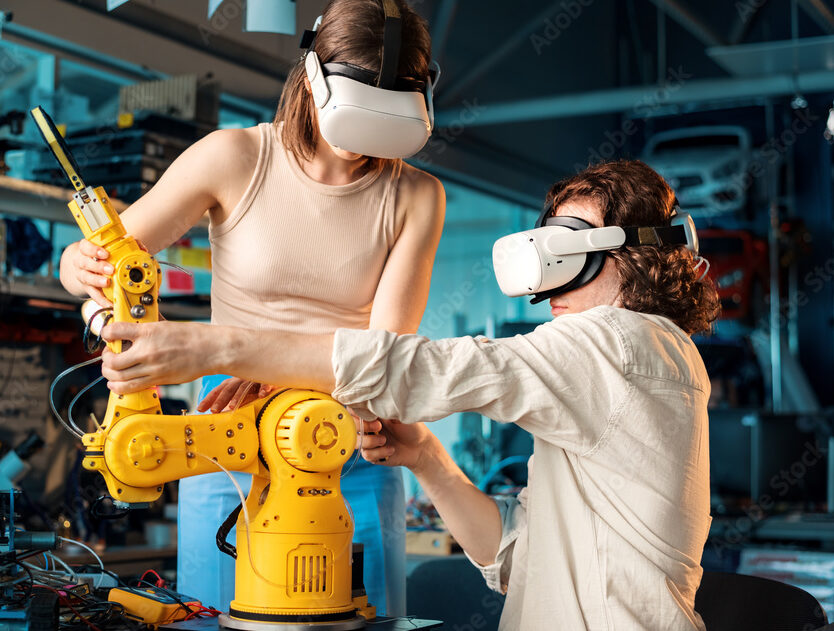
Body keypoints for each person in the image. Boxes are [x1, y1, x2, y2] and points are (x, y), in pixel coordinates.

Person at [99, 160, 721, 630]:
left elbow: (423, 367)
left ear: (640, 257)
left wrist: (217, 348)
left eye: (574, 247)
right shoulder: (613, 363)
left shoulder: (624, 344)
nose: (552, 276)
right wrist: (427, 457)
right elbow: (514, 557)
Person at [58, 0, 444, 615]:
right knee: (217, 618)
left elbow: (384, 359)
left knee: (364, 622)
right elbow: (107, 267)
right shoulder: (234, 157)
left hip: (351, 444)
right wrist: (78, 270)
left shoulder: (417, 195)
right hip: (227, 442)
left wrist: (259, 371)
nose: (360, 151)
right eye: (354, 118)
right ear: (311, 79)